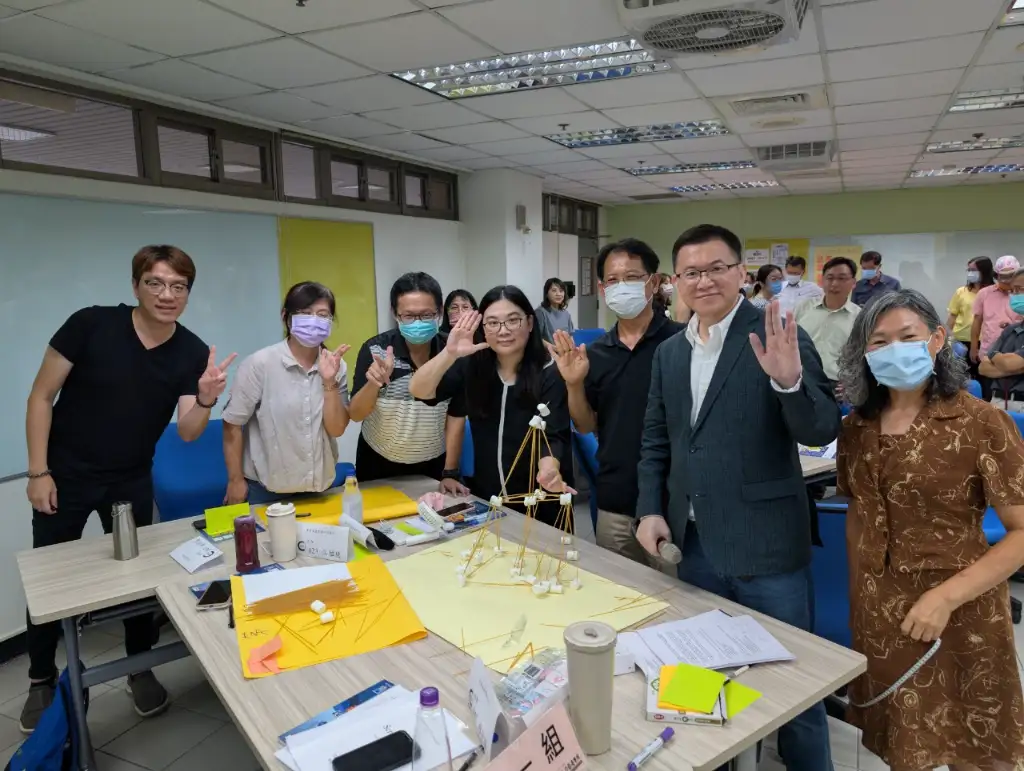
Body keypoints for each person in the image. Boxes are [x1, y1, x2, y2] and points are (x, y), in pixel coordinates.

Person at [634, 224, 840, 771]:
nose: (704, 281)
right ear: (675, 282)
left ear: (741, 273)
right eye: (691, 272)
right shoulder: (671, 352)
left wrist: (790, 383)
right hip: (694, 544)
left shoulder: (777, 331)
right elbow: (658, 438)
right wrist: (651, 508)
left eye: (717, 268)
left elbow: (819, 428)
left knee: (794, 685)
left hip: (766, 545)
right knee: (704, 678)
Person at [21, 245, 234, 731]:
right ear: (136, 285)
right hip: (65, 475)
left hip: (132, 476)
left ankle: (139, 665)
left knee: (138, 576)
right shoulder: (91, 324)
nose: (167, 294)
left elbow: (188, 430)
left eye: (178, 286)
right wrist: (38, 471)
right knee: (49, 580)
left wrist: (204, 398)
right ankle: (39, 678)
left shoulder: (192, 351)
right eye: (156, 283)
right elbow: (41, 395)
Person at [836, 289, 1024, 771]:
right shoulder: (856, 427)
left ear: (937, 339)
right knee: (905, 744)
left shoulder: (981, 423)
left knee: (974, 745)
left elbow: (1022, 531)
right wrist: (861, 593)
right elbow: (860, 511)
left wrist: (945, 598)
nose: (894, 349)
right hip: (883, 614)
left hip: (962, 609)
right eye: (879, 342)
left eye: (907, 336)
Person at [546, 239, 683, 566]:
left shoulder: (682, 342)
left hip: (673, 500)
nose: (622, 286)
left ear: (653, 281)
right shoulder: (595, 352)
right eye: (613, 280)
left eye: (633, 277)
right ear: (602, 288)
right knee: (622, 598)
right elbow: (585, 424)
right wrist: (574, 385)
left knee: (677, 600)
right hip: (615, 500)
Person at [408, 286, 573, 525]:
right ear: (482, 328)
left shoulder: (550, 371)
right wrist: (449, 353)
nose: (503, 331)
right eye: (492, 323)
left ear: (529, 323)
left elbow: (555, 435)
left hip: (541, 497)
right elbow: (419, 390)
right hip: (489, 499)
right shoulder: (472, 366)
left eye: (512, 321)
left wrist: (549, 469)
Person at [222, 282, 351, 505]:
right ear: (286, 317)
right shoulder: (259, 364)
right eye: (304, 313)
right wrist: (235, 481)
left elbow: (337, 429)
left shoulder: (336, 366)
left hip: (319, 488)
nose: (314, 321)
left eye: (323, 315)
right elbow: (232, 424)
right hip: (265, 490)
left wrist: (329, 382)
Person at [349, 272, 468, 495]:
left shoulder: (453, 353)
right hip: (377, 460)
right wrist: (374, 383)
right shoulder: (375, 349)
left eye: (426, 315)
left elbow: (456, 416)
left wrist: (450, 471)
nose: (418, 323)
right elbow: (356, 414)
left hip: (433, 463)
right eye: (409, 316)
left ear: (439, 312)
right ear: (395, 314)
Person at [794, 256, 860, 390]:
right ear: (822, 281)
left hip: (836, 385)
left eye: (842, 278)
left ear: (853, 282)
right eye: (830, 278)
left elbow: (861, 355)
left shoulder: (859, 317)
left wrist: (853, 382)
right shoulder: (803, 308)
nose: (834, 283)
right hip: (799, 379)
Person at [971, 255, 1022, 402]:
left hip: (1016, 352)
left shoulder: (1018, 297)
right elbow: (977, 321)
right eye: (1002, 276)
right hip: (990, 350)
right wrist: (974, 346)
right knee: (989, 396)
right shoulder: (984, 294)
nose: (1006, 281)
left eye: (1010, 276)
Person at [946, 256, 993, 383]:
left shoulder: (994, 292)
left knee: (984, 379)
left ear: (984, 271)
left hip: (985, 342)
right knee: (962, 380)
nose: (970, 273)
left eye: (974, 270)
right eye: (969, 270)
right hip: (961, 342)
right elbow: (952, 316)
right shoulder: (961, 291)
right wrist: (946, 338)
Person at [535, 277, 574, 343]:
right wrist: (554, 348)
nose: (558, 294)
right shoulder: (540, 312)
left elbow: (570, 337)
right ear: (546, 294)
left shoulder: (566, 314)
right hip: (549, 352)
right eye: (554, 290)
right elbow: (536, 337)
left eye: (561, 291)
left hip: (565, 352)